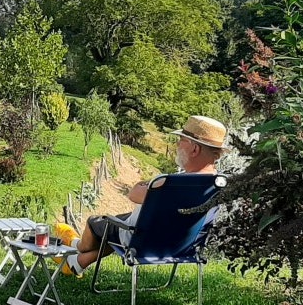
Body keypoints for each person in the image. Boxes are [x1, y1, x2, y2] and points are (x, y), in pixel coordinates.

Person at [59, 114, 226, 277]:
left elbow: (134, 194)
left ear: (194, 149)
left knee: (98, 223)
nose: (177, 145)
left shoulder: (170, 184)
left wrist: (148, 183)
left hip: (143, 241)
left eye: (181, 141)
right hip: (183, 245)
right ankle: (77, 262)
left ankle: (76, 247)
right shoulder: (218, 186)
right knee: (119, 224)